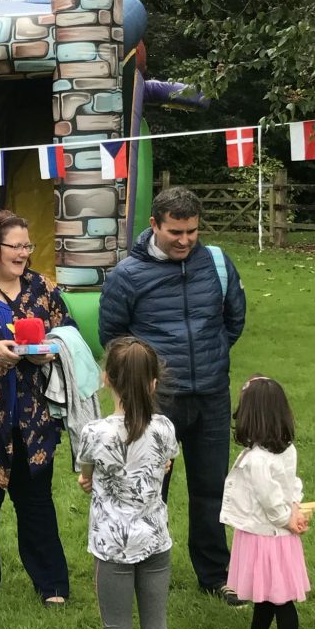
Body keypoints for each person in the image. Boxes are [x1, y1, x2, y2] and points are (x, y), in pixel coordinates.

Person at [99, 186, 246, 605]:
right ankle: (144, 571)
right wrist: (149, 380)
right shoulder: (127, 275)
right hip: (157, 402)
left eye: (192, 232)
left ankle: (216, 575)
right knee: (147, 488)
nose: (184, 240)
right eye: (175, 232)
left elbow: (233, 319)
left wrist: (210, 358)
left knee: (211, 488)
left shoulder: (216, 262)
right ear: (154, 226)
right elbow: (114, 338)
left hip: (212, 396)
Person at [0, 210, 72, 606]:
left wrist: (50, 352)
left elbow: (68, 331)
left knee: (36, 499)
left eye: (28, 245)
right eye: (16, 246)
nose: (24, 253)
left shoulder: (40, 286)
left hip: (32, 413)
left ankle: (52, 584)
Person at [74, 337, 179, 629]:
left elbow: (85, 472)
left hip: (112, 548)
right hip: (156, 541)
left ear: (107, 379)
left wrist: (91, 480)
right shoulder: (166, 428)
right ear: (154, 383)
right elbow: (165, 463)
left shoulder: (95, 432)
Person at [221, 375, 310, 629]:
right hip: (269, 533)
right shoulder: (287, 448)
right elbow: (292, 484)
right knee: (264, 588)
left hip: (268, 534)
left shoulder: (258, 459)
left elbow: (271, 500)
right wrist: (294, 510)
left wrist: (287, 516)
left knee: (279, 595)